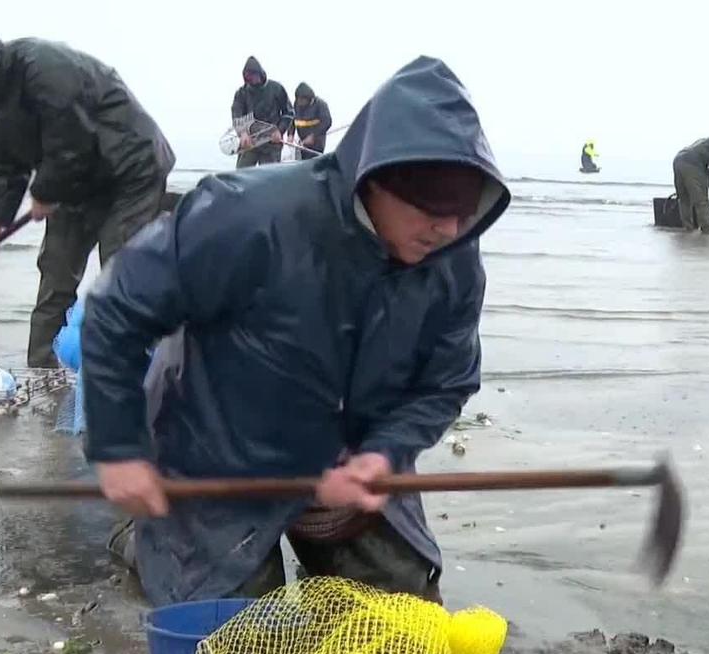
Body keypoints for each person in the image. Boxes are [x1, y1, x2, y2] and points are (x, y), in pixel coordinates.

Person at [81, 56, 509, 607]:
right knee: (233, 646)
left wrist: (382, 456)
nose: (448, 228)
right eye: (430, 208)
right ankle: (139, 538)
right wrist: (117, 448)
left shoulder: (453, 257)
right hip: (217, 456)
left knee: (403, 614)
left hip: (347, 461)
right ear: (374, 179)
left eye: (463, 211)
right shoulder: (245, 216)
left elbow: (445, 384)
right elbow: (116, 309)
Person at [0, 12, 177, 370]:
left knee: (121, 272)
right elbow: (6, 166)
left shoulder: (41, 65)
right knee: (56, 273)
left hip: (129, 169)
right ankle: (43, 374)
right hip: (75, 183)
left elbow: (71, 137)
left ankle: (143, 372)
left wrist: (44, 192)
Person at [231, 56, 293, 168]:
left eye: (254, 75)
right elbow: (237, 115)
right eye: (249, 77)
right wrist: (242, 133)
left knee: (269, 178)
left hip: (272, 143)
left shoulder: (277, 88)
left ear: (260, 73)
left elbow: (288, 113)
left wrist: (280, 130)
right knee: (242, 174)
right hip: (249, 142)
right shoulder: (241, 93)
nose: (253, 80)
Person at [292, 83, 332, 154]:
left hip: (317, 143)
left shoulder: (321, 105)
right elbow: (293, 119)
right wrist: (290, 134)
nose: (300, 102)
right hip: (302, 142)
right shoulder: (296, 104)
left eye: (302, 100)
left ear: (309, 98)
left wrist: (313, 136)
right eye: (298, 99)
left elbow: (327, 122)